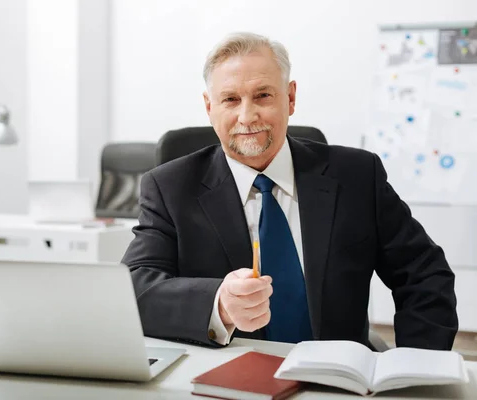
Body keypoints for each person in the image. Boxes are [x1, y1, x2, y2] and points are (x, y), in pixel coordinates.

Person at [122, 32, 458, 350]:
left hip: (337, 379)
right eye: (230, 99)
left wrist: (418, 364)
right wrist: (218, 304)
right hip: (226, 377)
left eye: (263, 95)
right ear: (210, 107)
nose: (247, 115)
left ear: (291, 97)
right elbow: (133, 289)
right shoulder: (170, 187)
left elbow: (424, 275)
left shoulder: (356, 176)